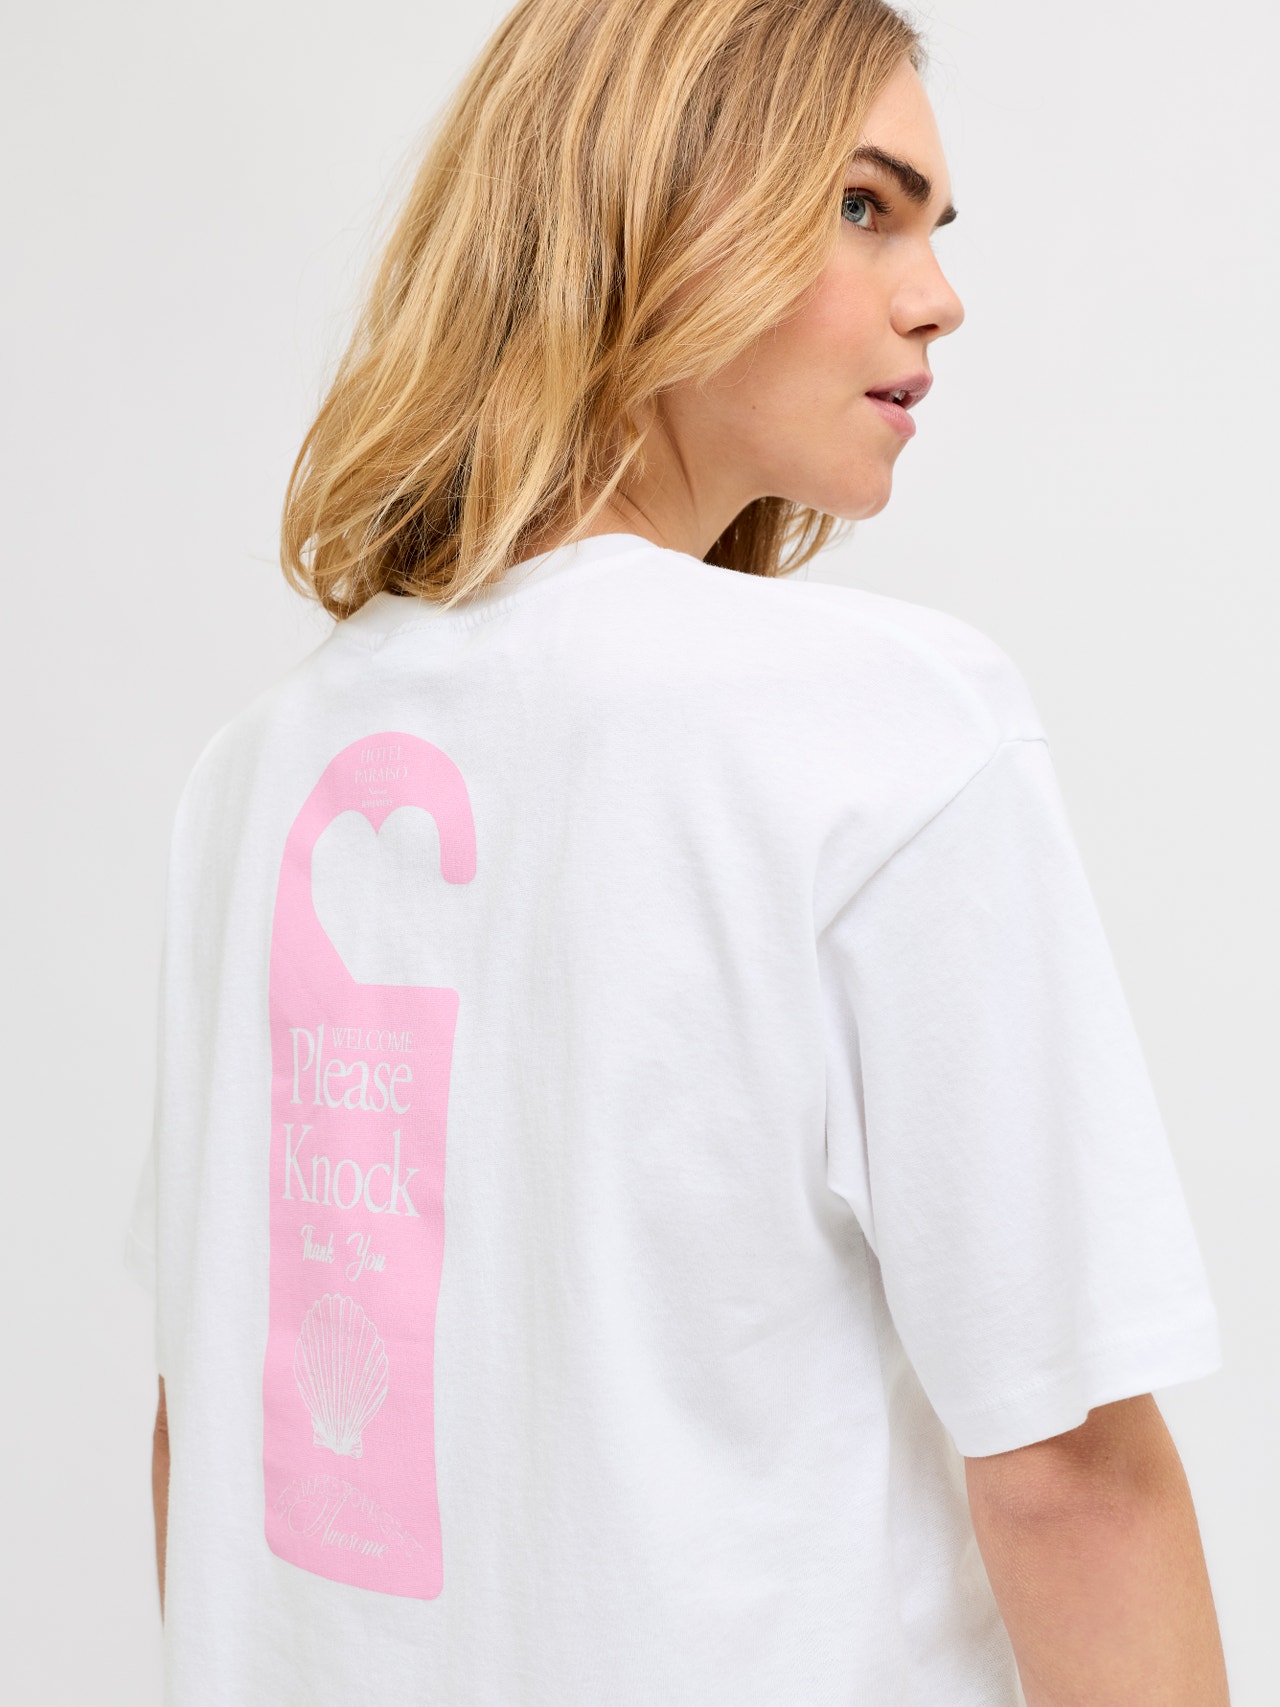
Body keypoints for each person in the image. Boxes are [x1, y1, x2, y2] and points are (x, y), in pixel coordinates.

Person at [125, 1, 1231, 1702]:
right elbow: (1066, 1467)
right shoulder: (883, 730)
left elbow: (203, 1435)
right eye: (862, 206)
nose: (938, 293)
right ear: (655, 208)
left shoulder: (255, 775)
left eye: (931, 224)